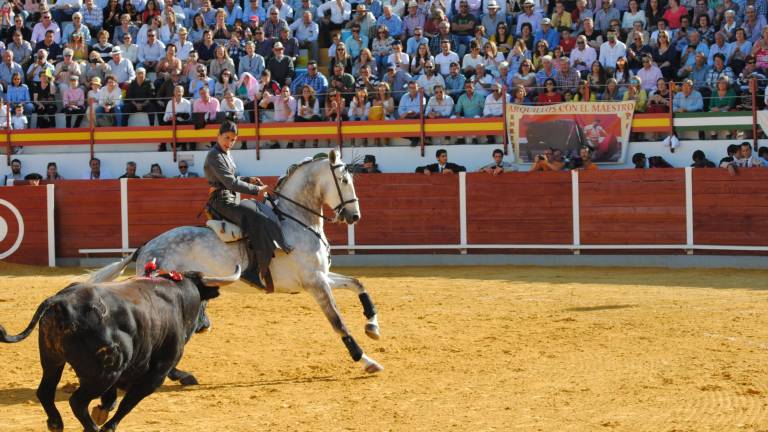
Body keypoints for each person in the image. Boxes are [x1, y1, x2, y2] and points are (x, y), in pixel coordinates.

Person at [204, 120, 291, 290]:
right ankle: (252, 270)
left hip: (230, 199)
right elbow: (229, 183)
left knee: (258, 212)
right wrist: (257, 189)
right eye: (226, 138)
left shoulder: (225, 154)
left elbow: (232, 179)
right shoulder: (214, 155)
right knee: (257, 218)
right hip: (221, 202)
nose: (229, 142)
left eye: (233, 140)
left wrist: (248, 180)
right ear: (218, 136)